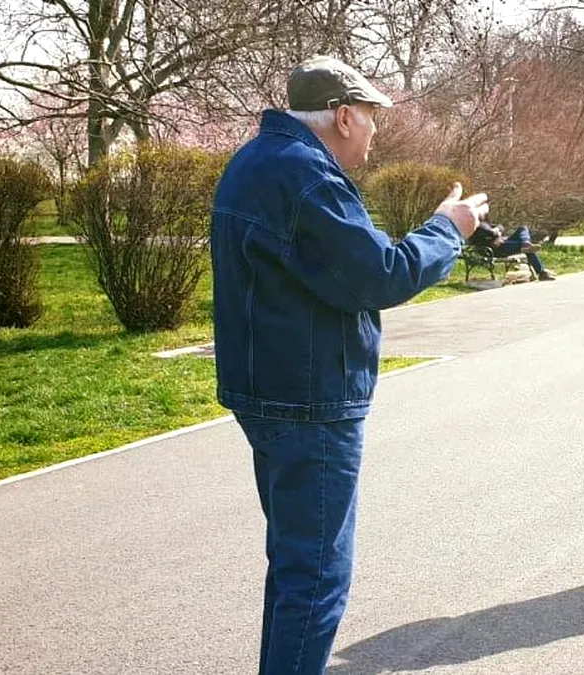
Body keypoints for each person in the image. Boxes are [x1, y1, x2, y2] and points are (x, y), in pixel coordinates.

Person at [210, 56, 488, 674]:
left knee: (294, 568)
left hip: (269, 389)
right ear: (342, 116)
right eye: (370, 117)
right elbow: (381, 275)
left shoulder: (256, 161)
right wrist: (449, 228)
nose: (373, 130)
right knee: (316, 576)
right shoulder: (308, 177)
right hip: (310, 400)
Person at [467, 222, 556, 280]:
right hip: (495, 250)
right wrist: (495, 236)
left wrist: (497, 232)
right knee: (527, 248)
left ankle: (525, 243)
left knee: (523, 227)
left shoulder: (482, 223)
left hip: (503, 242)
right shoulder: (473, 227)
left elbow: (501, 226)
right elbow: (486, 234)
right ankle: (541, 272)